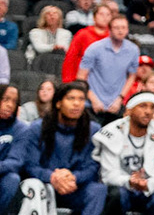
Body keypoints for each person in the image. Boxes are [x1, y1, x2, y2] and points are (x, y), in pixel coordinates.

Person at [1, 82, 103, 215]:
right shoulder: (38, 128)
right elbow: (30, 165)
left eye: (81, 99)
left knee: (98, 190)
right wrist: (52, 177)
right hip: (45, 184)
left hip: (75, 186)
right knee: (32, 184)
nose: (76, 104)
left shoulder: (93, 130)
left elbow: (92, 167)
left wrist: (73, 177)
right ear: (58, 103)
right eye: (71, 98)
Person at [93, 89, 154, 215]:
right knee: (116, 194)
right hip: (122, 187)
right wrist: (130, 181)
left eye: (152, 107)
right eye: (142, 106)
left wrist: (148, 184)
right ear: (129, 110)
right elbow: (109, 176)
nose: (148, 111)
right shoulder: (111, 132)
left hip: (149, 187)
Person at [82, 13, 143, 118]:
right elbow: (81, 77)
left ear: (127, 30)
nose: (120, 30)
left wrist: (120, 98)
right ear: (109, 30)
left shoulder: (133, 50)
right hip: (92, 103)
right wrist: (93, 99)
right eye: (116, 27)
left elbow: (132, 76)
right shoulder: (95, 48)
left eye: (123, 27)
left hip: (116, 103)